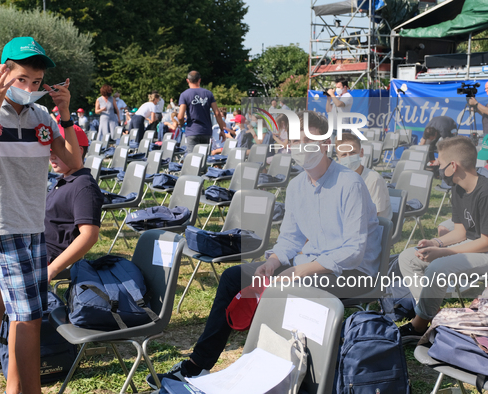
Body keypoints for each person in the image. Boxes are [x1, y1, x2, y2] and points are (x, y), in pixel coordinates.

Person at [146, 111, 382, 387]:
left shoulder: (349, 183)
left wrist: (300, 270)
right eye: (293, 141)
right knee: (235, 277)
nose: (299, 148)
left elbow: (353, 250)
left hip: (352, 271)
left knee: (282, 288)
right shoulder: (296, 187)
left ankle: (268, 373)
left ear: (325, 143)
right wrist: (274, 261)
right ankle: (199, 364)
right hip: (312, 264)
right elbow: (291, 238)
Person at [0, 36, 83, 394]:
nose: (29, 89)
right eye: (22, 80)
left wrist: (64, 115)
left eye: (35, 83)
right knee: (29, 317)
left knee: (24, 316)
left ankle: (16, 389)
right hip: (3, 224)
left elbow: (72, 163)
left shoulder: (40, 115)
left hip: (33, 223)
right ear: (2, 74)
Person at [0, 127, 102, 375]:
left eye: (59, 152)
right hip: (27, 243)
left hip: (45, 256)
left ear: (80, 151)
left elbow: (89, 235)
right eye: (51, 153)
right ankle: (8, 329)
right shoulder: (63, 180)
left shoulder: (83, 186)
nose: (53, 157)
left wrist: (53, 268)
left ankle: (10, 345)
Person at [398, 136, 488, 344]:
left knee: (437, 267)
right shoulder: (459, 188)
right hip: (477, 246)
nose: (437, 168)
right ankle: (434, 315)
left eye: (440, 164)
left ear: (453, 166)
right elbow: (460, 232)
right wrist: (436, 243)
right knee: (407, 258)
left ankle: (420, 324)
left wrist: (443, 252)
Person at [336, 133, 392, 220]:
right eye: (344, 155)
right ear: (338, 158)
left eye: (352, 152)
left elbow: (372, 216)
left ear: (361, 152)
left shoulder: (373, 179)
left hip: (373, 227)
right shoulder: (338, 178)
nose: (348, 157)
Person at [178, 70, 226, 154]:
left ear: (187, 80)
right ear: (199, 80)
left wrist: (181, 124)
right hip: (206, 131)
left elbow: (180, 116)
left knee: (192, 159)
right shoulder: (208, 94)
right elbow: (217, 113)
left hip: (192, 131)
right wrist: (222, 129)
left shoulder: (184, 95)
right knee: (203, 158)